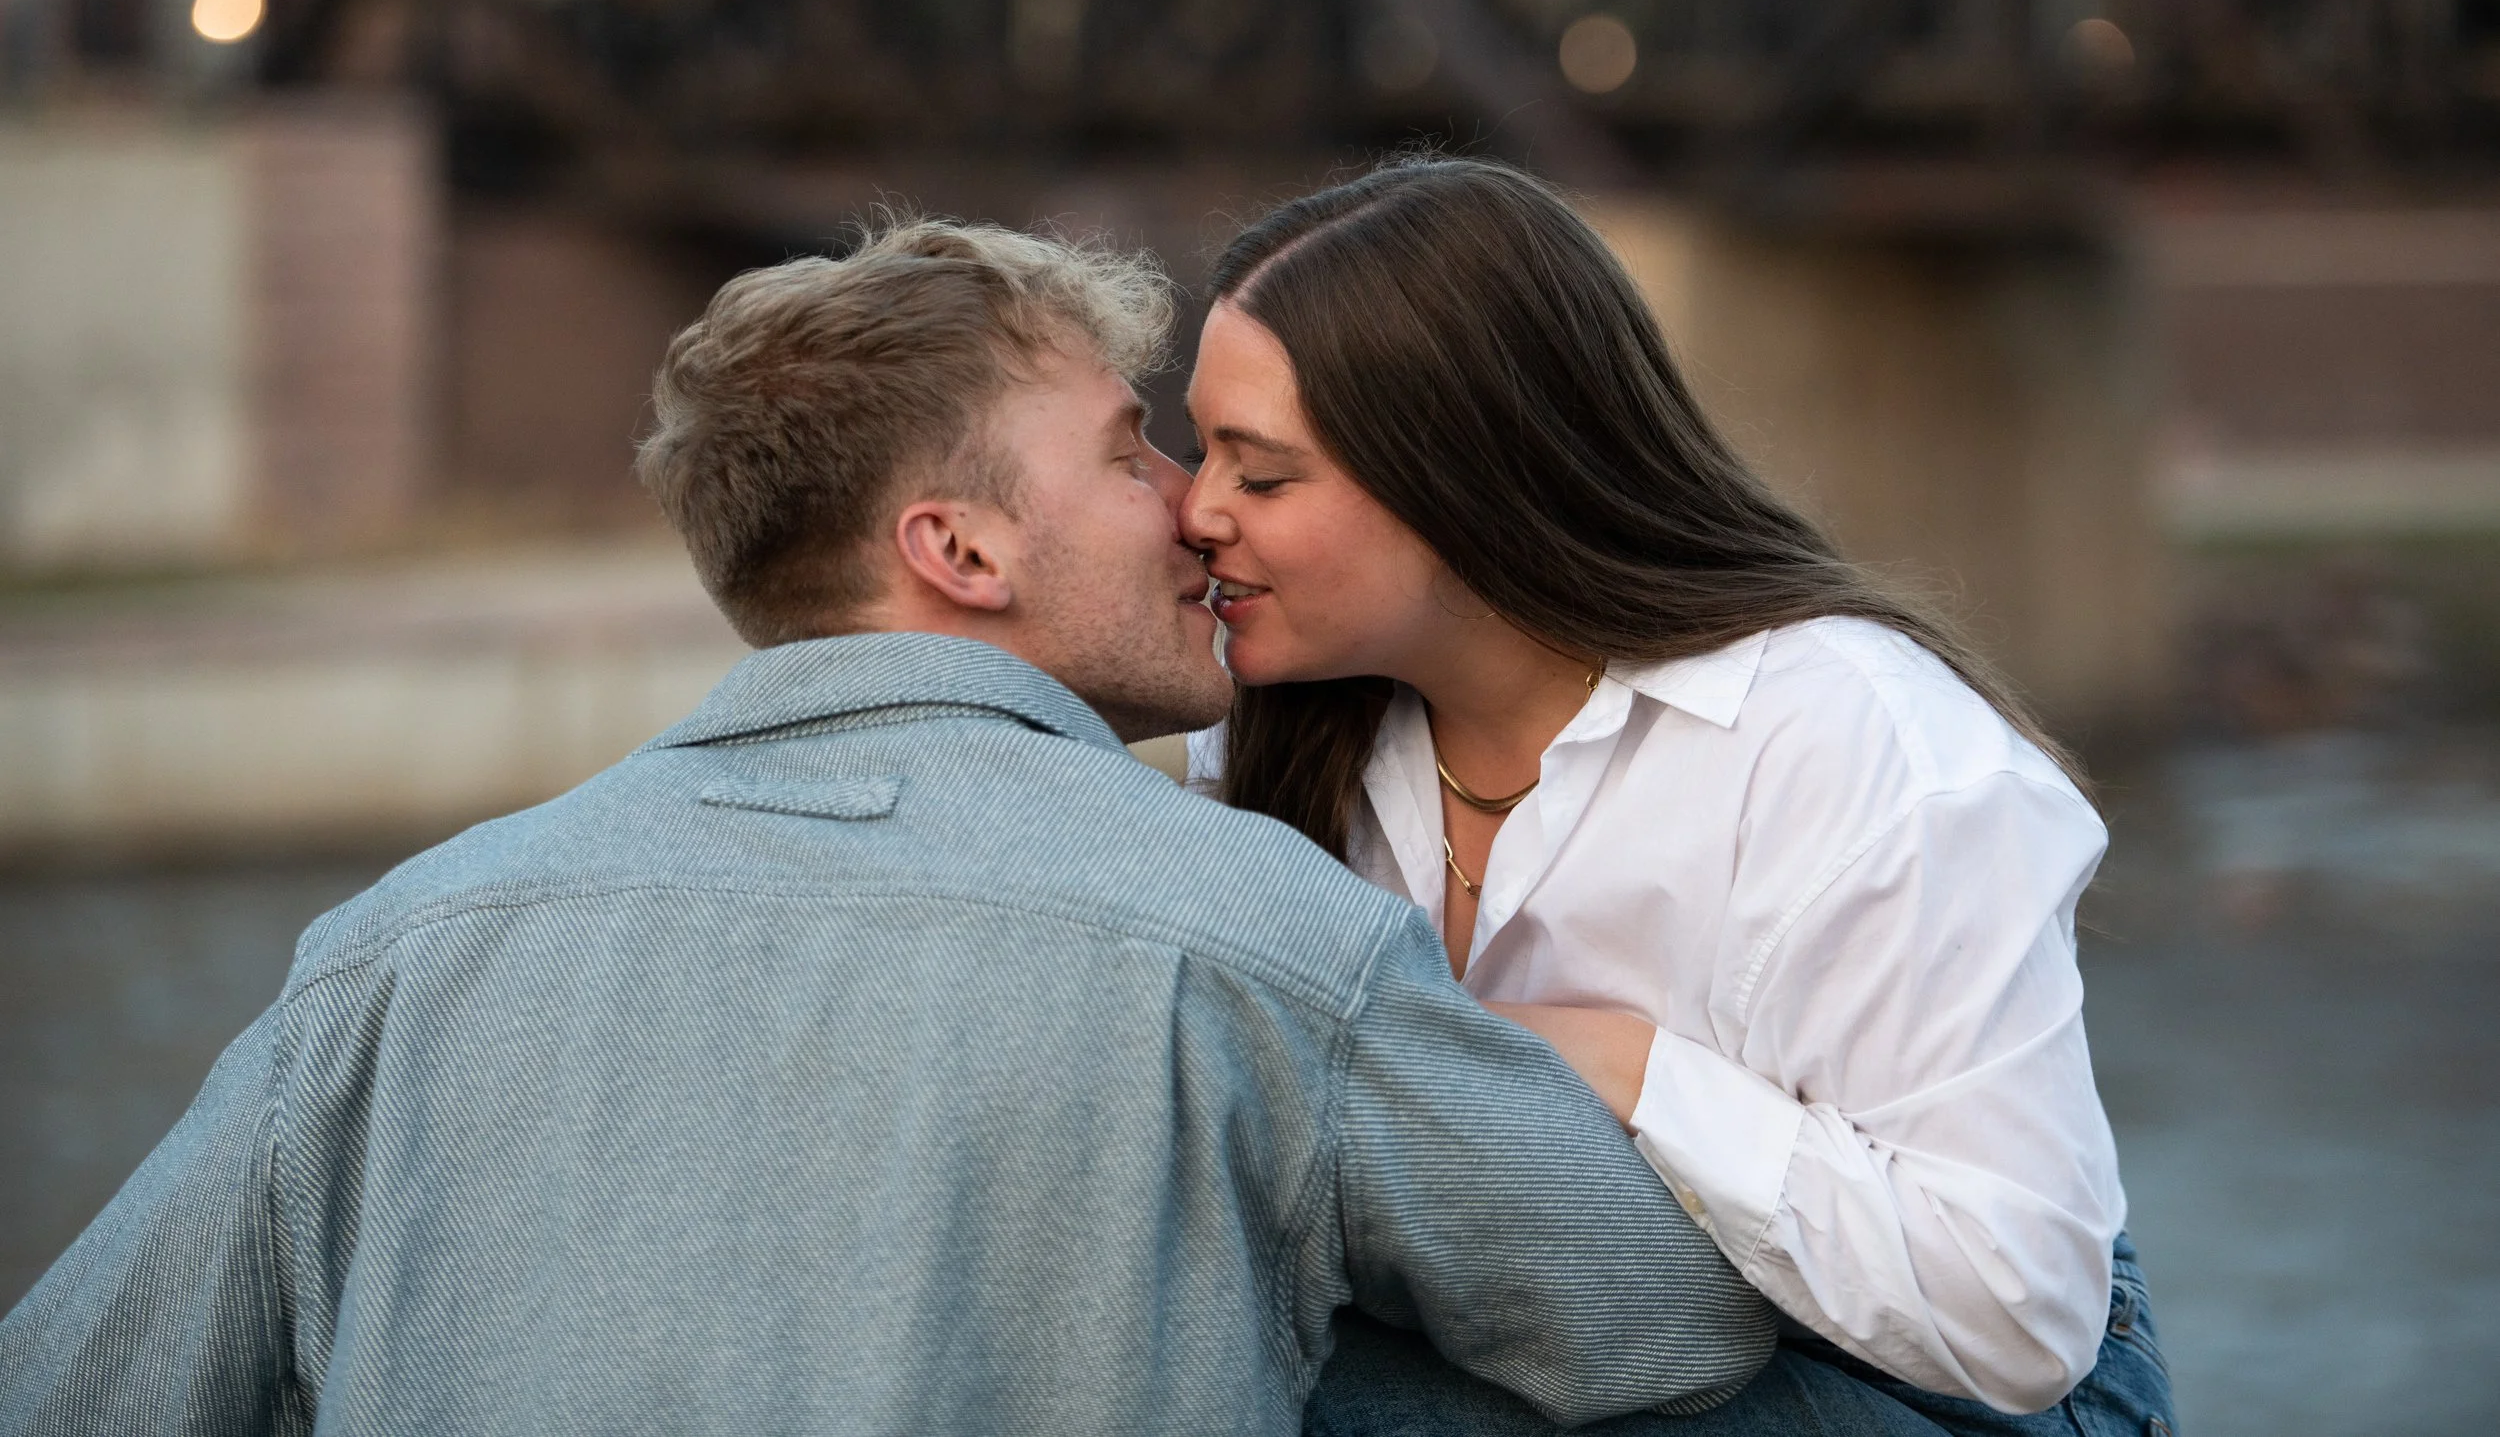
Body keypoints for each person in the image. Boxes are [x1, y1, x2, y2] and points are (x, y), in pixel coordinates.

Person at [0, 218, 1779, 1437]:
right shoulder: (1259, 942)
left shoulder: (390, 956)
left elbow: (73, 1391)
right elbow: (1661, 1327)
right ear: (962, 552)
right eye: (1126, 448)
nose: (1195, 506)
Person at [1178, 158, 2177, 1437]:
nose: (1196, 510)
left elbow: (2016, 1310)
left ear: (1466, 474)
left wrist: (1615, 1062)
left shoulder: (1852, 746)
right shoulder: (1286, 728)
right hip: (1559, 1330)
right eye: (1193, 446)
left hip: (1954, 1392)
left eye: (1259, 474)